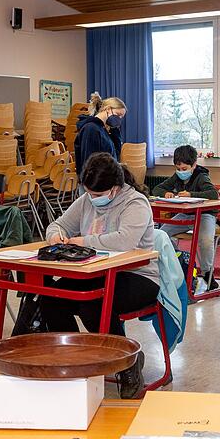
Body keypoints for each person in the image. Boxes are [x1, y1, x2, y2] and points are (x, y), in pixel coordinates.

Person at [38, 152, 159, 398]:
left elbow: (125, 241)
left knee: (93, 304)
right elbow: (58, 224)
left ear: (115, 188)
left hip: (138, 276)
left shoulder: (135, 203)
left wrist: (84, 241)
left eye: (97, 195)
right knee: (50, 298)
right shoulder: (86, 200)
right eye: (89, 192)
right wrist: (55, 236)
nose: (92, 199)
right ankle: (73, 360)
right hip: (95, 274)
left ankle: (127, 362)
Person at [152, 145, 220, 289]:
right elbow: (157, 188)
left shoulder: (201, 176)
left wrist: (191, 194)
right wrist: (166, 193)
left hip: (204, 215)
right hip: (186, 214)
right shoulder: (177, 176)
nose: (181, 172)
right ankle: (178, 260)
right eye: (178, 169)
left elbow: (213, 194)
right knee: (161, 234)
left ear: (194, 165)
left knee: (206, 240)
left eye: (184, 169)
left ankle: (208, 273)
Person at [74, 92, 126, 171]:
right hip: (96, 181)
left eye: (121, 117)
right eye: (118, 114)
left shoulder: (104, 129)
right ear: (108, 109)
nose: (119, 119)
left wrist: (114, 129)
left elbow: (115, 156)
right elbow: (89, 164)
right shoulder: (91, 129)